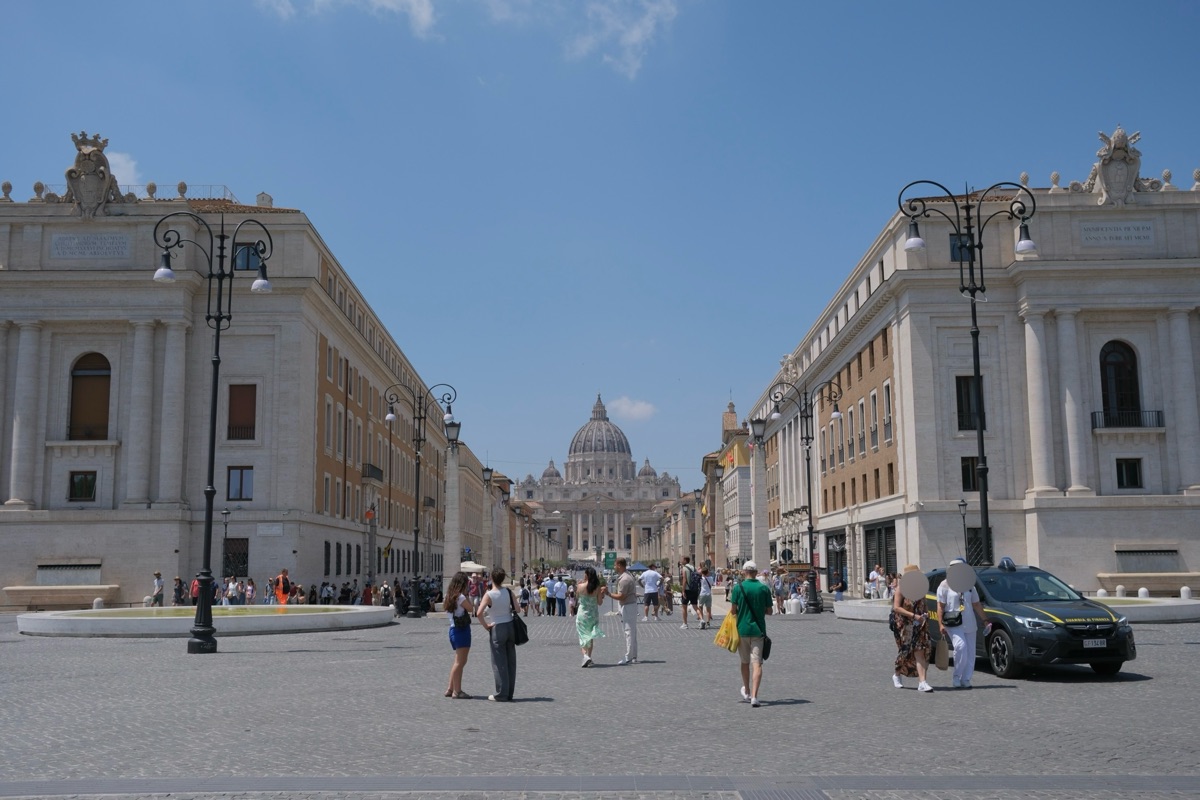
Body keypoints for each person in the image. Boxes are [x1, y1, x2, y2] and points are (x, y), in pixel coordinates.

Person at [937, 558, 991, 689]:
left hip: (969, 622)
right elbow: (940, 606)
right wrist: (940, 624)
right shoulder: (944, 585)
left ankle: (966, 679)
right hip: (953, 622)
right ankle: (956, 676)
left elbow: (976, 604)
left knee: (971, 652)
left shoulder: (970, 585)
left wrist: (985, 620)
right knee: (960, 647)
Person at [731, 561, 773, 708]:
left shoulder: (737, 588)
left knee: (744, 662)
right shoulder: (763, 588)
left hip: (742, 630)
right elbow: (769, 611)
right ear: (756, 573)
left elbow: (733, 611)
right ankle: (755, 696)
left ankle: (747, 691)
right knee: (757, 664)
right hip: (758, 631)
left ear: (743, 572)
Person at [476, 568, 517, 701]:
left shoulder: (489, 595)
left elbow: (478, 613)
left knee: (499, 662)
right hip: (510, 626)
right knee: (511, 661)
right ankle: (510, 693)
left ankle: (501, 693)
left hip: (497, 627)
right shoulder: (508, 592)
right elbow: (518, 609)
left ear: (492, 578)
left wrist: (486, 625)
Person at [892, 564, 933, 692]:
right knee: (905, 652)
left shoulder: (921, 589)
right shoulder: (901, 588)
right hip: (905, 625)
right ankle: (897, 674)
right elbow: (896, 607)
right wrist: (913, 616)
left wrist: (925, 614)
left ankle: (922, 682)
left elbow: (924, 605)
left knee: (920, 651)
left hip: (920, 625)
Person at [444, 571, 474, 699]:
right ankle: (457, 691)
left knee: (457, 661)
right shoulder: (460, 597)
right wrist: (467, 595)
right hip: (462, 630)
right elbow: (471, 608)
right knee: (461, 662)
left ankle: (450, 688)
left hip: (452, 630)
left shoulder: (449, 596)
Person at [609, 557, 639, 665]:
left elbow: (621, 596)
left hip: (628, 606)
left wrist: (609, 594)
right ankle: (633, 656)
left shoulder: (625, 579)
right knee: (632, 632)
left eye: (615, 565)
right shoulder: (626, 576)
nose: (614, 567)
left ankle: (629, 657)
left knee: (629, 632)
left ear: (619, 565)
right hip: (630, 605)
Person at [575, 566, 606, 667]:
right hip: (593, 614)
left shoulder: (580, 586)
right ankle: (589, 656)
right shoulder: (597, 587)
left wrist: (579, 585)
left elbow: (577, 598)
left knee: (582, 636)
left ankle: (585, 656)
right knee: (590, 636)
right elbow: (600, 603)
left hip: (582, 614)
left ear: (587, 575)